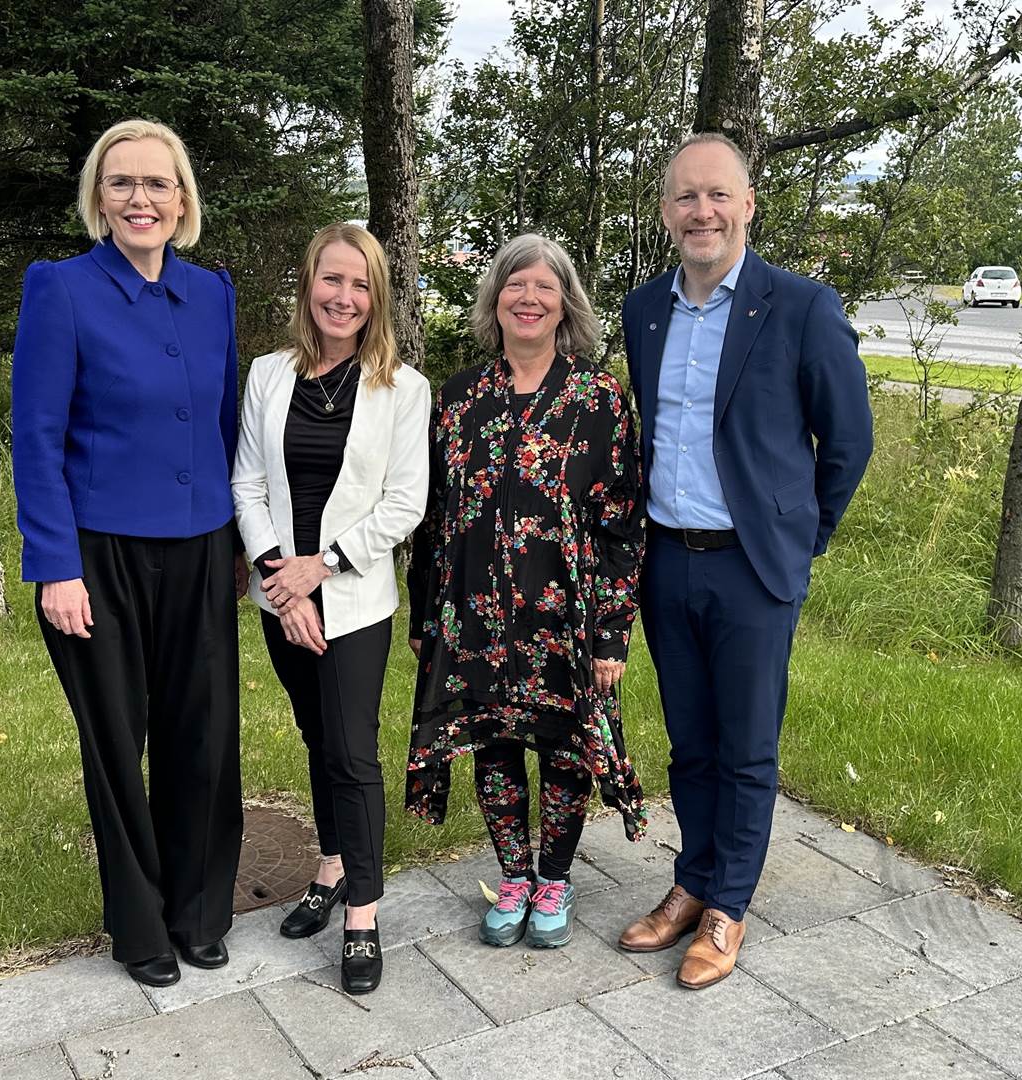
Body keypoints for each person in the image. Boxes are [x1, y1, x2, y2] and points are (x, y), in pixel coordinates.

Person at [615, 133, 874, 989]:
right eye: (686, 197)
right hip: (667, 560)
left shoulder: (799, 306)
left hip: (752, 569)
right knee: (690, 741)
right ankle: (692, 880)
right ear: (665, 212)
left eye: (718, 195)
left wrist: (802, 538)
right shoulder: (645, 309)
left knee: (747, 746)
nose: (702, 212)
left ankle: (728, 906)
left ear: (748, 203)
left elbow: (847, 440)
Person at [11, 119, 245, 989]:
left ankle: (198, 912)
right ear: (98, 198)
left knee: (203, 735)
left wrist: (230, 544)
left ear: (182, 200)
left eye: (158, 184)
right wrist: (54, 565)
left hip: (199, 547)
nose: (140, 199)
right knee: (117, 741)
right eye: (122, 184)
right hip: (98, 557)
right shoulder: (62, 289)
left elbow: (223, 426)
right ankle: (140, 927)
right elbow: (34, 437)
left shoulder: (211, 292)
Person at [406, 233, 646, 951]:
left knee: (566, 747)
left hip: (564, 619)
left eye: (544, 287)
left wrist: (610, 634)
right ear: (496, 301)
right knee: (494, 742)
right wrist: (426, 616)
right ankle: (514, 876)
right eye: (516, 286)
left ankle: (557, 879)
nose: (529, 299)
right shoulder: (458, 399)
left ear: (565, 302)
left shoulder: (598, 400)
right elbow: (433, 518)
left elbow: (623, 526)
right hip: (474, 618)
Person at [230, 223, 429, 994]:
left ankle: (363, 914)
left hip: (352, 602)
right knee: (317, 740)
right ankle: (333, 864)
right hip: (282, 597)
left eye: (360, 285)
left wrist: (323, 569)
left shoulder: (402, 389)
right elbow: (247, 482)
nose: (343, 297)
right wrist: (281, 579)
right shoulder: (269, 374)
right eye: (331, 280)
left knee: (351, 753)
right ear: (308, 284)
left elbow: (404, 503)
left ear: (376, 297)